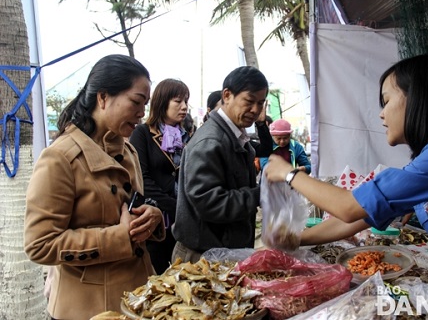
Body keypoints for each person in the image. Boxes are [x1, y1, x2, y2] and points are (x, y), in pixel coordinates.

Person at [264, 53, 428, 298]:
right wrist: (296, 239)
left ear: (419, 99)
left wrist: (290, 174)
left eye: (386, 102)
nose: (381, 113)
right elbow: (359, 218)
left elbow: (348, 206)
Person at [24, 54, 166, 320]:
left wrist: (152, 217)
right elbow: (40, 244)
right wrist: (120, 238)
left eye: (145, 104)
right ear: (103, 97)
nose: (142, 113)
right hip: (89, 308)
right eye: (136, 102)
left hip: (137, 299)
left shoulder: (129, 151)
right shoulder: (60, 158)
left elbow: (133, 206)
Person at [172, 66, 273, 263]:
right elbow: (209, 202)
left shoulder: (235, 136)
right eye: (249, 101)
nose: (255, 110)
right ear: (227, 95)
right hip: (202, 258)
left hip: (222, 251)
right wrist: (261, 194)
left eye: (260, 103)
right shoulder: (211, 141)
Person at [129, 78, 190, 275]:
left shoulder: (188, 135)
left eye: (186, 101)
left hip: (183, 221)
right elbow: (142, 177)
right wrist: (176, 205)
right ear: (162, 102)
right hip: (156, 218)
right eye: (178, 101)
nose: (184, 107)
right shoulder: (143, 133)